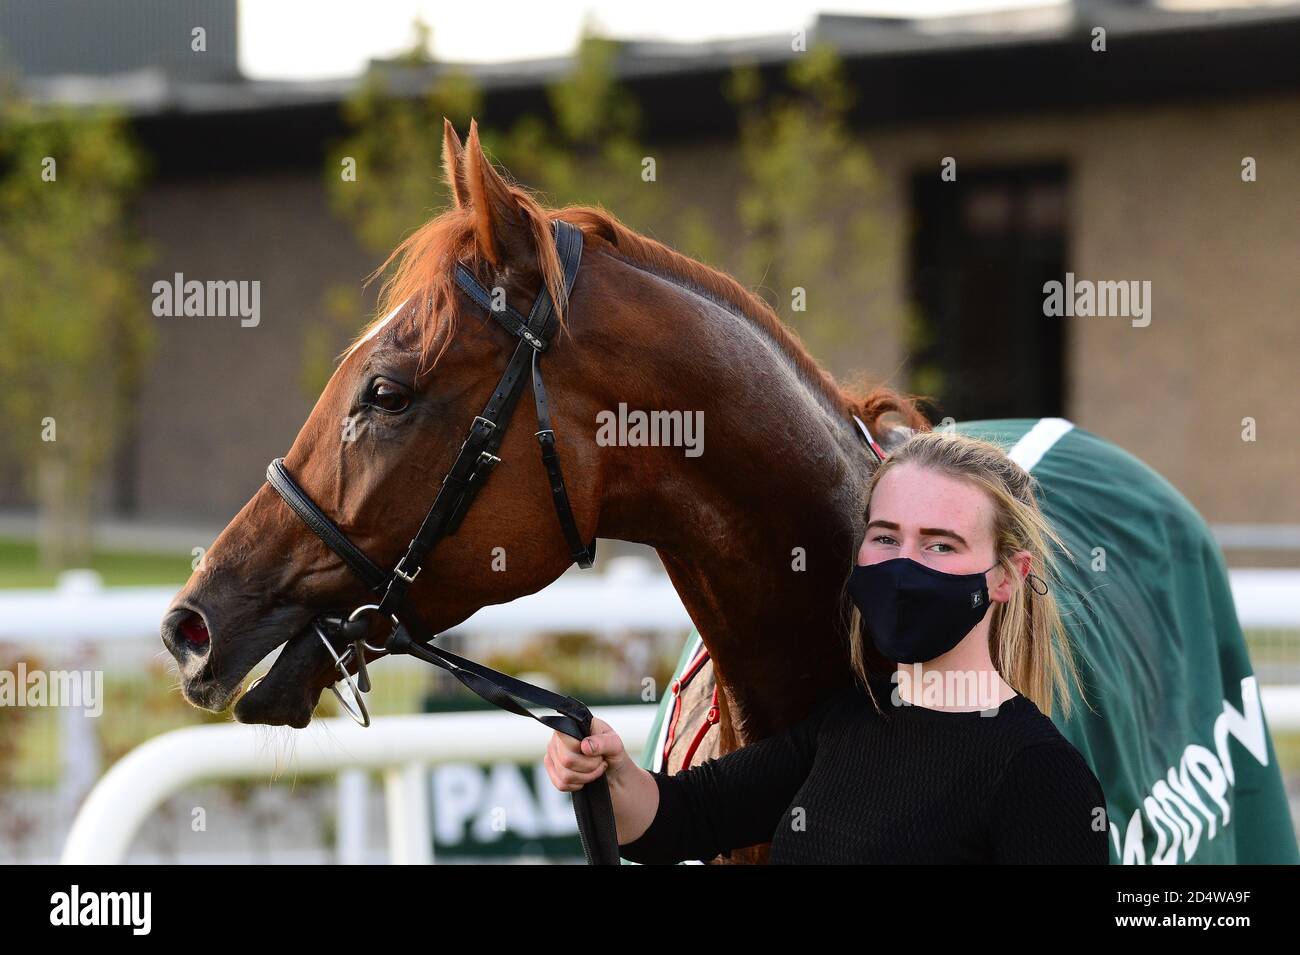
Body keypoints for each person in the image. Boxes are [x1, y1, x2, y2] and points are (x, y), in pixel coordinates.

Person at [545, 430, 1110, 864]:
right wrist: (607, 769)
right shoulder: (846, 723)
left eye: (941, 546)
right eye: (886, 537)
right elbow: (681, 818)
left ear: (1007, 576)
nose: (903, 566)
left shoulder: (1040, 774)